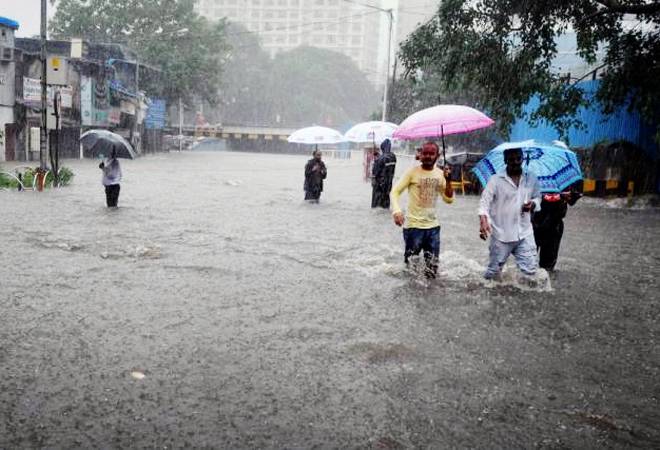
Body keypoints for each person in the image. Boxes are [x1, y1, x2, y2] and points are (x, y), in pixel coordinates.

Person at [390, 142, 454, 278]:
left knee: (432, 270)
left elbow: (449, 199)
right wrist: (397, 211)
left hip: (433, 228)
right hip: (413, 227)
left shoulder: (441, 174)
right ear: (420, 154)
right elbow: (395, 192)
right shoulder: (412, 173)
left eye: (432, 153)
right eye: (425, 153)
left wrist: (448, 181)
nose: (428, 156)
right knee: (410, 269)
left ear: (438, 156)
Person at [478, 147, 541, 280]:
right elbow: (484, 202)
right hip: (501, 235)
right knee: (492, 276)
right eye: (511, 159)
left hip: (524, 233)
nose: (515, 162)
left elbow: (537, 197)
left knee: (530, 273)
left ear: (522, 159)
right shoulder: (495, 180)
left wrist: (533, 204)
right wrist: (483, 221)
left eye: (518, 158)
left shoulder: (531, 178)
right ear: (505, 160)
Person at [532, 188, 582, 271]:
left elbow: (573, 199)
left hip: (554, 224)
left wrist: (569, 195)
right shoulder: (530, 178)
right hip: (534, 223)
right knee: (527, 263)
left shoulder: (563, 179)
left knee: (547, 265)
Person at [371, 138, 397, 209]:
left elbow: (375, 172)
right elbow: (386, 164)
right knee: (386, 204)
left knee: (377, 206)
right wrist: (379, 156)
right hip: (388, 185)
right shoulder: (393, 157)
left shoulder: (380, 159)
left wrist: (376, 160)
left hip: (379, 185)